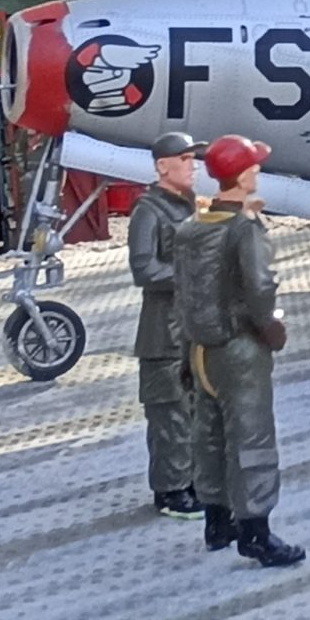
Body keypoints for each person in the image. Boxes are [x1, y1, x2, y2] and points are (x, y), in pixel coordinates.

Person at [170, 134, 303, 567]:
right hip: (239, 348)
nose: (257, 172)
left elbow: (183, 293)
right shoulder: (244, 228)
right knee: (252, 437)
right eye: (253, 166)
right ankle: (256, 533)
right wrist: (271, 328)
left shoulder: (191, 227)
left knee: (208, 436)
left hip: (200, 348)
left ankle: (217, 522)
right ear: (243, 175)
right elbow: (260, 287)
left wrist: (186, 351)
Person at [127, 132, 207, 520]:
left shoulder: (188, 207)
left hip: (191, 331)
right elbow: (143, 269)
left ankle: (190, 481)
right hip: (162, 333)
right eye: (185, 160)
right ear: (163, 166)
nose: (193, 167)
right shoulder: (149, 211)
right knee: (169, 414)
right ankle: (170, 491)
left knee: (192, 410)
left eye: (194, 160)